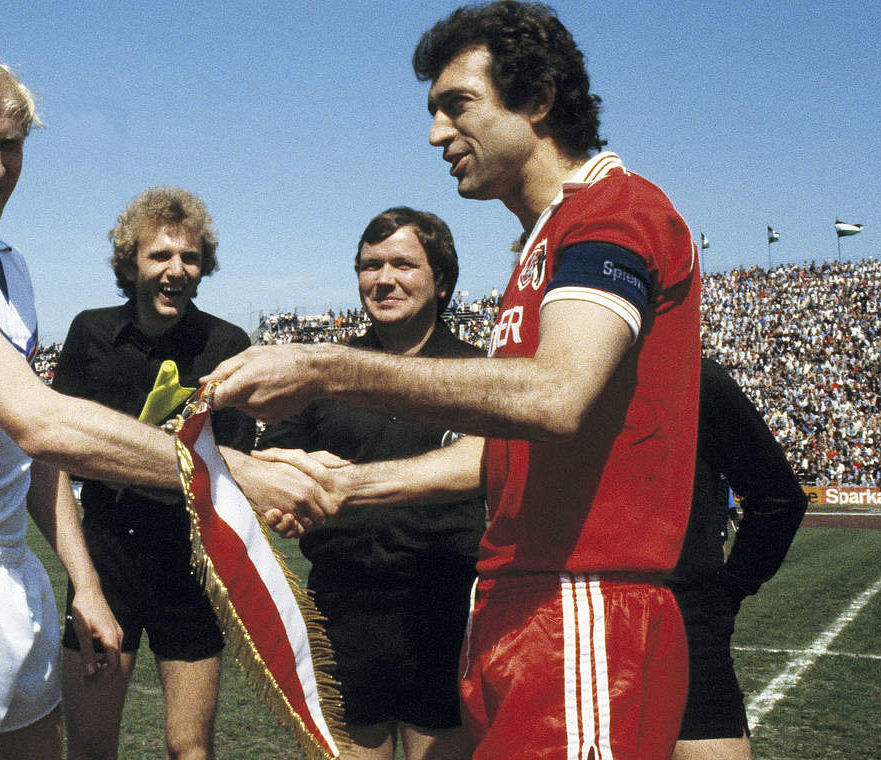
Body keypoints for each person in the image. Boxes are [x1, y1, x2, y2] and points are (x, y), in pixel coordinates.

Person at [211, 2, 701, 756]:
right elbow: (502, 451)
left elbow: (557, 395)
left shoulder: (614, 212)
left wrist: (323, 368)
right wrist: (349, 488)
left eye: (457, 106)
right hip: (518, 604)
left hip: (583, 605)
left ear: (536, 99)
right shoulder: (544, 245)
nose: (437, 134)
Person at [0, 46, 332, 760]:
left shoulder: (7, 264)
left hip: (9, 571)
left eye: (11, 146)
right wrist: (241, 477)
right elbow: (42, 423)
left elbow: (28, 455)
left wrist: (86, 585)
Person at [256, 207, 484, 760]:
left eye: (403, 264)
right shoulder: (320, 371)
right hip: (343, 605)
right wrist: (283, 497)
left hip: (446, 606)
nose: (384, 279)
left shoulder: (480, 375)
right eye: (370, 265)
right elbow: (271, 469)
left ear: (443, 281)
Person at [50, 187, 255, 760]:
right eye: (160, 256)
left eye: (189, 257)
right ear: (130, 262)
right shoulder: (91, 334)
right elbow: (56, 456)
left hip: (189, 563)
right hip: (106, 560)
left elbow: (232, 471)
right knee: (91, 749)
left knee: (190, 748)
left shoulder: (226, 345)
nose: (176, 270)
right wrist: (83, 580)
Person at [670, 357, 807, 760]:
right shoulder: (697, 376)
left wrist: (728, 592)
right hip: (684, 613)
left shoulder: (696, 378)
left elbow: (779, 499)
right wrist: (726, 594)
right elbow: (780, 499)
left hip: (677, 618)